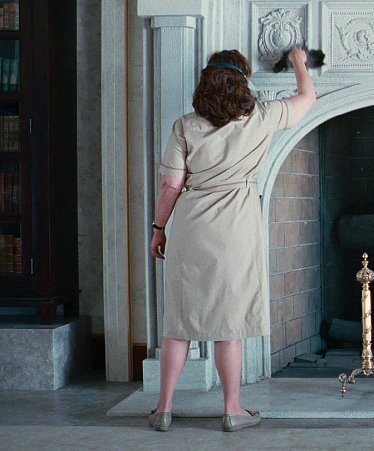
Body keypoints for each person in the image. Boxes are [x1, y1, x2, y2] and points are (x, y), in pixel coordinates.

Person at [147, 48, 315, 432]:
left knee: (179, 321)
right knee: (229, 323)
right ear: (242, 82)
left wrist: (158, 228)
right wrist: (298, 61)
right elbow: (308, 98)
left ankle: (163, 409)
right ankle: (232, 410)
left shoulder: (185, 126)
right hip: (236, 229)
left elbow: (170, 184)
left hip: (191, 228)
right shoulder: (263, 116)